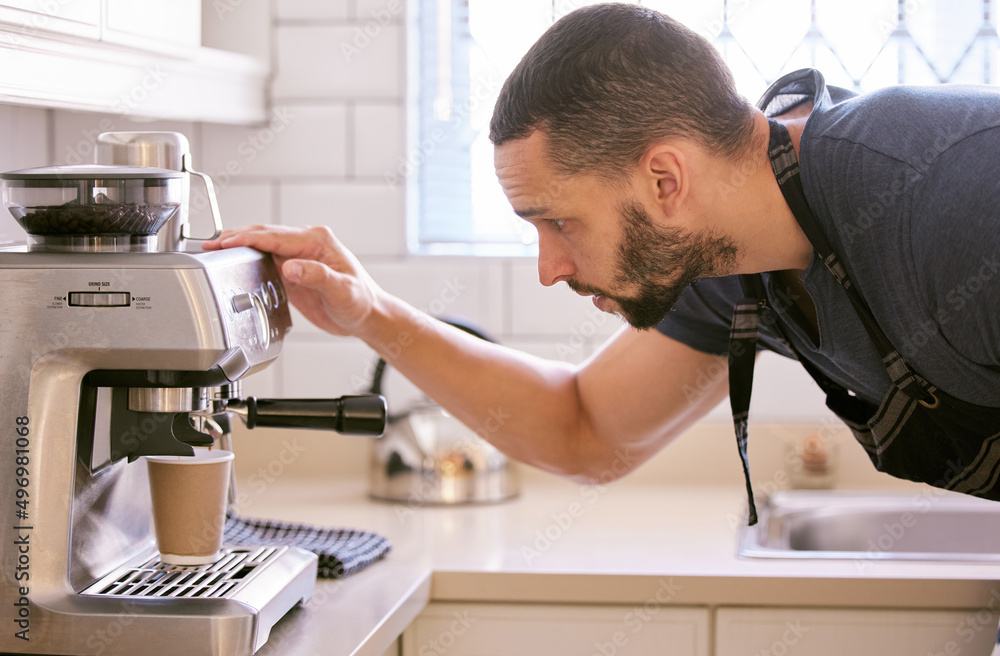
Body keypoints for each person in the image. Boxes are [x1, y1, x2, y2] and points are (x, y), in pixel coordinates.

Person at [204, 3, 1000, 520]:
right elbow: (586, 432)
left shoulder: (952, 197)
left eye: (556, 221)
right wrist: (371, 314)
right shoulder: (727, 259)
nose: (549, 267)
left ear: (664, 179)